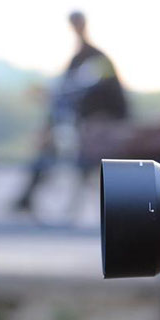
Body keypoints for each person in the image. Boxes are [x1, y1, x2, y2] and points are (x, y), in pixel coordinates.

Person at [15, 11, 128, 215]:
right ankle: (31, 196)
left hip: (101, 128)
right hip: (86, 127)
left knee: (55, 145)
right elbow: (66, 92)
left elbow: (74, 91)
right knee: (50, 141)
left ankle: (32, 197)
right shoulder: (81, 58)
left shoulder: (96, 58)